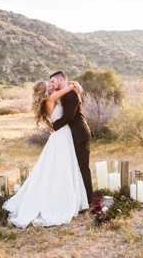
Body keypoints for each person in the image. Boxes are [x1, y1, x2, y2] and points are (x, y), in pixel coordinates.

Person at [2, 78, 89, 228]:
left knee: (63, 165)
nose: (51, 86)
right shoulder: (50, 98)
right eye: (49, 85)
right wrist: (74, 84)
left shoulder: (50, 98)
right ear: (44, 90)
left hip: (62, 134)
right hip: (61, 135)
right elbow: (66, 90)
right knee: (62, 166)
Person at [49, 70, 93, 205]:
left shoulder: (71, 94)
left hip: (80, 134)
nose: (52, 83)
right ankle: (80, 197)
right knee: (76, 167)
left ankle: (89, 199)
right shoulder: (67, 92)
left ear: (60, 79)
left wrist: (53, 126)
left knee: (83, 167)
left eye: (53, 81)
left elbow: (69, 116)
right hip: (72, 135)